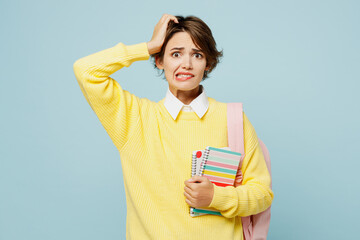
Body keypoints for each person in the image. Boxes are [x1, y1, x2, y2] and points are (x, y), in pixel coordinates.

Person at [73, 14, 273, 240]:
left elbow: (262, 194)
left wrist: (216, 197)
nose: (186, 64)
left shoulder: (233, 119)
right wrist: (148, 46)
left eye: (197, 55)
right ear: (159, 60)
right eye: (175, 54)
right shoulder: (135, 118)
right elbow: (85, 71)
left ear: (208, 63)